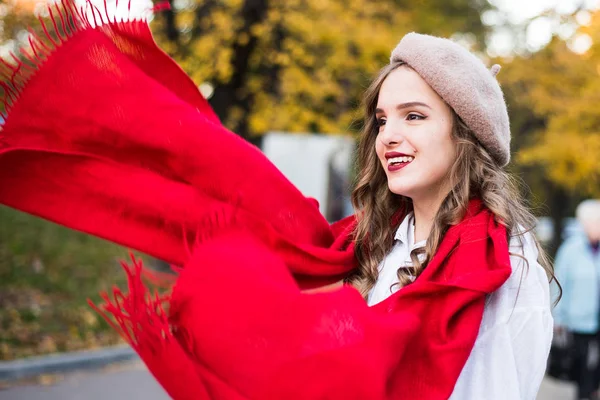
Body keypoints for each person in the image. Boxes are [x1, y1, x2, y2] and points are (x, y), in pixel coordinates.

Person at [0, 2, 556, 399]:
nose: (388, 136)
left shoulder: (507, 262)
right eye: (382, 119)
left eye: (414, 117)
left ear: (467, 136)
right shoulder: (368, 242)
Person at [553, 199, 600, 400]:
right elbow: (558, 284)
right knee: (583, 368)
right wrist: (557, 317)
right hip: (578, 321)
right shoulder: (570, 249)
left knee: (595, 369)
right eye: (592, 222)